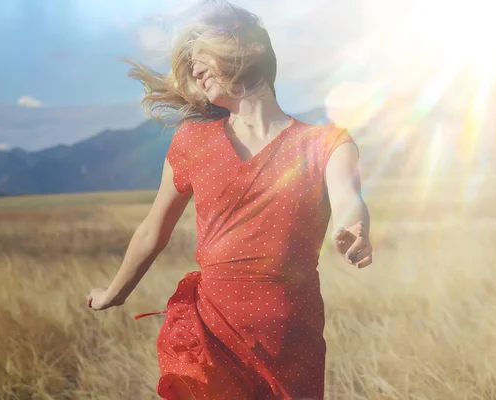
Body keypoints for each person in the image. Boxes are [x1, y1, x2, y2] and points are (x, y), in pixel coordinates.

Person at [87, 2, 373, 399]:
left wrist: (353, 228)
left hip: (290, 338)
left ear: (247, 49)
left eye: (200, 54)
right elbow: (154, 227)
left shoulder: (325, 143)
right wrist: (115, 291)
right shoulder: (192, 141)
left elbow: (348, 198)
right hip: (212, 331)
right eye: (189, 63)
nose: (194, 70)